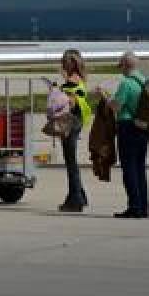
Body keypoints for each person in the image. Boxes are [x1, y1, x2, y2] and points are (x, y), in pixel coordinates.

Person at [100, 51, 149, 218]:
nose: (120, 69)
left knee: (129, 168)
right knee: (140, 168)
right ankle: (143, 207)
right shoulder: (145, 81)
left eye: (121, 66)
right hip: (144, 128)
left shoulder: (126, 83)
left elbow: (116, 107)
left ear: (126, 66)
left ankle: (134, 207)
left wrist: (105, 97)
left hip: (128, 128)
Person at [57, 49, 91, 213]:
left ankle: (76, 199)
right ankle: (78, 196)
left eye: (64, 61)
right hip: (77, 122)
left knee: (71, 163)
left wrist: (59, 91)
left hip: (70, 123)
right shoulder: (80, 79)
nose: (62, 63)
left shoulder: (71, 81)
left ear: (71, 63)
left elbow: (70, 103)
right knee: (72, 162)